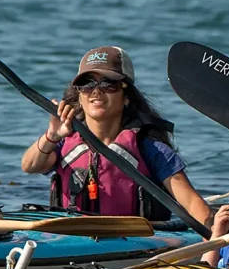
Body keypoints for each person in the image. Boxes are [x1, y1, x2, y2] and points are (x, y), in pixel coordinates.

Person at [21, 46, 212, 224]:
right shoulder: (63, 142)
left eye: (108, 84)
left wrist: (213, 240)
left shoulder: (151, 149)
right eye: (87, 85)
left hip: (137, 246)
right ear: (79, 95)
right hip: (73, 239)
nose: (96, 91)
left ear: (126, 96)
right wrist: (52, 135)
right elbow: (29, 166)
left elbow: (194, 205)